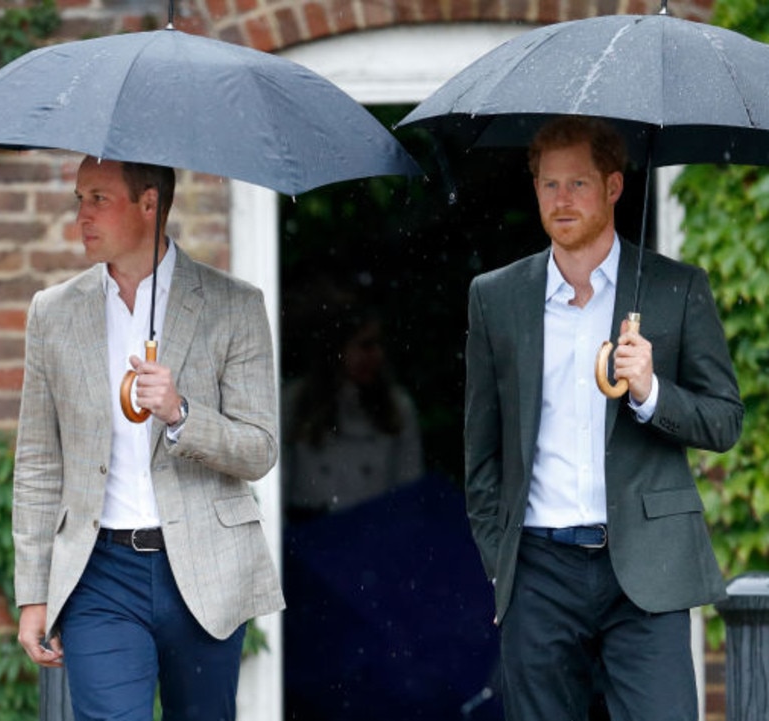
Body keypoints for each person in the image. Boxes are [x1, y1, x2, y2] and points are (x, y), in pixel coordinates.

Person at [463, 116, 742, 721]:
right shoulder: (497, 296)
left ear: (614, 187)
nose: (561, 201)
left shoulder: (675, 289)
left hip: (646, 569)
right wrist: (501, 563)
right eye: (548, 185)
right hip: (538, 571)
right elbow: (481, 452)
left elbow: (724, 421)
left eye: (579, 185)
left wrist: (651, 392)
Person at [12, 156, 284, 720]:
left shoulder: (234, 305)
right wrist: (34, 593)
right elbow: (38, 462)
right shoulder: (53, 312)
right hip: (100, 573)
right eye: (79, 198)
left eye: (98, 199)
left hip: (205, 569)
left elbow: (260, 448)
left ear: (150, 203)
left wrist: (182, 413)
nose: (82, 215)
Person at [282, 287, 424, 519]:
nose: (376, 355)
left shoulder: (397, 406)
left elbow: (409, 489)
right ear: (337, 348)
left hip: (374, 535)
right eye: (365, 345)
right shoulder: (294, 402)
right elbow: (278, 483)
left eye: (378, 345)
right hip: (310, 537)